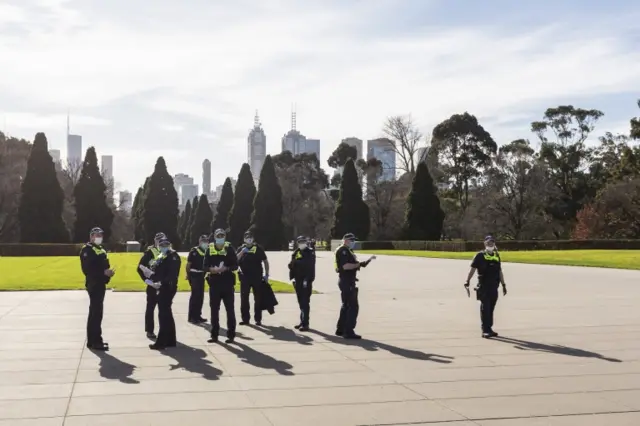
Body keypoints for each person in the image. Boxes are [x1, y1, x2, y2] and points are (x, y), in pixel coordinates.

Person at [464, 236, 508, 338]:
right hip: (484, 286)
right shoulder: (479, 255)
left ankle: (489, 328)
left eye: (492, 242)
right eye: (488, 243)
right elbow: (473, 269)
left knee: (491, 308)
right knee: (485, 308)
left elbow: (500, 271)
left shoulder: (496, 255)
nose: (490, 244)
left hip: (494, 287)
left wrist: (503, 284)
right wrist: (467, 281)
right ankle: (485, 330)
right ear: (484, 244)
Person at [80, 227, 115, 351]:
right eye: (97, 235)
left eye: (101, 235)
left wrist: (108, 273)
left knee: (97, 312)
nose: (99, 237)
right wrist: (103, 272)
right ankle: (95, 341)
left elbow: (104, 264)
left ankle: (94, 340)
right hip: (94, 284)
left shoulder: (100, 249)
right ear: (91, 236)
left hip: (100, 283)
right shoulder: (87, 250)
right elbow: (88, 270)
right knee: (95, 313)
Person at [334, 233, 375, 339]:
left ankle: (341, 329)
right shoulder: (343, 251)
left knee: (346, 305)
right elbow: (345, 266)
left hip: (347, 280)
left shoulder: (347, 250)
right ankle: (348, 331)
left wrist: (366, 262)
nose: (353, 243)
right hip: (346, 281)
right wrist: (359, 264)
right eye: (352, 240)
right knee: (353, 306)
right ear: (346, 240)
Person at [146, 238, 181, 350]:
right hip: (162, 285)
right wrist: (151, 275)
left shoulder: (173, 256)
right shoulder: (162, 255)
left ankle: (161, 342)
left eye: (166, 244)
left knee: (163, 314)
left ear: (170, 245)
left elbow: (171, 273)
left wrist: (158, 280)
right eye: (161, 244)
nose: (163, 246)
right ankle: (170, 340)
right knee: (167, 312)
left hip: (167, 287)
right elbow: (158, 270)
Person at [204, 228, 238, 343]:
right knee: (214, 310)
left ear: (225, 237)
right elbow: (204, 266)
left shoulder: (229, 249)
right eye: (218, 236)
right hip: (214, 283)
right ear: (214, 237)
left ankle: (231, 335)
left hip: (227, 283)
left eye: (222, 236)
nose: (220, 238)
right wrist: (211, 270)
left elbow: (235, 266)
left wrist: (226, 268)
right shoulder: (210, 249)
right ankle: (214, 335)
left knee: (230, 310)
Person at [237, 230, 269, 326]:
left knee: (258, 299)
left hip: (257, 277)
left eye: (250, 237)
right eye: (247, 237)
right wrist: (242, 252)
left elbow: (265, 261)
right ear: (244, 239)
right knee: (244, 299)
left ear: (253, 238)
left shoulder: (258, 249)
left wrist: (267, 274)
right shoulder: (241, 249)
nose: (249, 239)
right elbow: (235, 260)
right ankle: (245, 319)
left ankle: (258, 319)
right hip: (245, 277)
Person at [137, 232, 165, 339]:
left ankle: (164, 330)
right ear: (155, 241)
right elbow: (140, 268)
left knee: (164, 309)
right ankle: (149, 330)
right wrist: (148, 281)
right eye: (158, 240)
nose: (160, 242)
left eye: (162, 239)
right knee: (150, 308)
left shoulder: (168, 252)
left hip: (164, 285)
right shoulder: (150, 252)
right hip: (153, 284)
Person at [288, 236, 316, 331]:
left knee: (305, 302)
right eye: (300, 241)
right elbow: (292, 264)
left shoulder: (310, 252)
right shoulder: (296, 252)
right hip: (298, 280)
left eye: (303, 241)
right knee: (301, 302)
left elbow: (308, 264)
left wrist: (296, 262)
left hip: (306, 280)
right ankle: (302, 321)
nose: (301, 243)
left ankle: (305, 323)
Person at [185, 234, 209, 324]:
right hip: (194, 274)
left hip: (201, 275)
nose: (205, 243)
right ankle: (192, 317)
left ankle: (198, 315)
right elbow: (188, 265)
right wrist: (188, 275)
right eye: (203, 241)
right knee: (195, 296)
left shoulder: (207, 251)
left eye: (206, 241)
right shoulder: (194, 251)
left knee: (200, 296)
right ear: (199, 242)